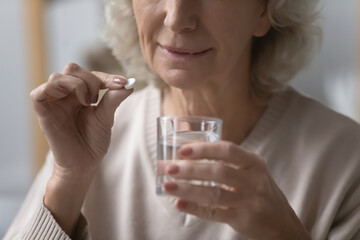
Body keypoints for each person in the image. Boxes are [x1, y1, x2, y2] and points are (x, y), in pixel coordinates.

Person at [5, 0, 360, 239]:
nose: (177, 18)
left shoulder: (345, 161)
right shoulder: (92, 133)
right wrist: (68, 179)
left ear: (264, 11)